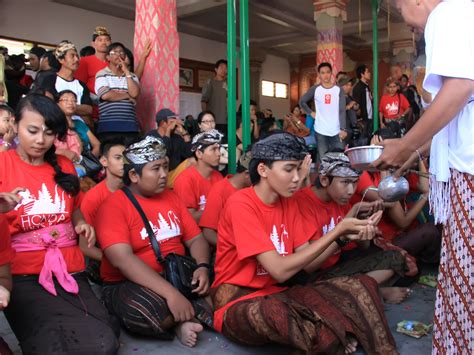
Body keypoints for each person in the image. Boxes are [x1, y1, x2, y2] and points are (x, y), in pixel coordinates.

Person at [211, 132, 397, 354]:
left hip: (279, 293)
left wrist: (345, 235)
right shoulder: (241, 204)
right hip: (238, 303)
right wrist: (339, 230)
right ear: (263, 170)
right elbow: (279, 270)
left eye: (300, 169)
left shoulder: (288, 204)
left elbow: (308, 263)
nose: (298, 178)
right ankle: (332, 333)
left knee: (360, 286)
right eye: (289, 169)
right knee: (279, 314)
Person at [374, 2, 473, 352]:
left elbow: (460, 86)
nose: (411, 26)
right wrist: (413, 151)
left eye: (399, 8)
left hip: (470, 172)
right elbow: (456, 115)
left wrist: (405, 145)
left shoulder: (448, 13)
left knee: (467, 283)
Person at [0, 94, 119, 353]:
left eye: (49, 133)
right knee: (51, 346)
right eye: (32, 131)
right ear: (15, 125)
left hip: (69, 267)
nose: (41, 140)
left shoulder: (63, 164)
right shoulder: (3, 165)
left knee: (103, 344)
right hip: (21, 274)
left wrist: (80, 224)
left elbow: (73, 207)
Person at [95, 136, 213, 347]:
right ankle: (185, 317)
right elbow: (122, 260)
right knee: (141, 309)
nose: (164, 175)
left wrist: (203, 267)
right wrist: (171, 294)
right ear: (133, 175)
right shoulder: (112, 206)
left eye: (166, 167)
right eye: (156, 168)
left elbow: (196, 239)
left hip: (174, 274)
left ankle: (182, 314)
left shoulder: (171, 197)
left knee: (215, 286)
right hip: (129, 284)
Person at [294, 152, 410, 304]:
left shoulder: (340, 200)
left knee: (395, 258)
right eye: (345, 182)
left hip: (336, 266)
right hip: (315, 276)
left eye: (355, 182)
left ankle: (363, 290)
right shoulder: (304, 203)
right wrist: (342, 236)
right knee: (320, 290)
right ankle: (374, 292)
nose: (351, 190)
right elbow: (309, 266)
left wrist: (364, 225)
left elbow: (363, 247)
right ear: (324, 180)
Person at [199, 151, 252, 247]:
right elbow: (208, 232)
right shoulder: (220, 190)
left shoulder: (254, 189)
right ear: (247, 174)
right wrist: (232, 247)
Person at [299, 62, 347, 162]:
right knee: (324, 161)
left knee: (339, 160)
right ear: (319, 75)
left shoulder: (338, 90)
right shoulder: (315, 89)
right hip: (320, 130)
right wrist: (310, 112)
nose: (325, 75)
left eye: (328, 72)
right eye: (322, 73)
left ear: (331, 73)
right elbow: (302, 101)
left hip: (337, 131)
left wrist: (343, 128)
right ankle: (323, 178)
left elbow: (342, 110)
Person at [95, 42, 141, 144]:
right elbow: (106, 95)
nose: (119, 54)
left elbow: (134, 93)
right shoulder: (102, 74)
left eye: (121, 52)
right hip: (108, 127)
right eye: (114, 52)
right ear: (107, 57)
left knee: (129, 159)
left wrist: (127, 72)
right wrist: (127, 95)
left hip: (130, 127)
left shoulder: (133, 77)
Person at [173, 130, 224, 222]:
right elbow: (188, 218)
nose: (219, 154)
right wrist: (219, 210)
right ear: (199, 153)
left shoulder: (218, 176)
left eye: (219, 149)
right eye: (213, 149)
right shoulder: (185, 180)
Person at [75, 26, 111, 121]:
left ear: (110, 43)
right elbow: (79, 85)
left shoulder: (113, 63)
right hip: (92, 110)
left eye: (106, 40)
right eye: (100, 40)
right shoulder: (85, 61)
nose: (104, 42)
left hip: (111, 110)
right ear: (93, 44)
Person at [56, 90, 100, 157]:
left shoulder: (79, 123)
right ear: (57, 104)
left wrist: (88, 161)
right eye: (65, 100)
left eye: (74, 100)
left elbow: (97, 144)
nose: (70, 103)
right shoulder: (54, 124)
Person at [201, 59, 228, 132]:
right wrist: (205, 118)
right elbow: (204, 101)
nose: (224, 70)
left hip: (226, 120)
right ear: (216, 69)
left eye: (226, 68)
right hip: (213, 120)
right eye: (221, 67)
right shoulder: (210, 82)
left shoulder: (228, 83)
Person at [352, 64, 374, 141]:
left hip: (370, 118)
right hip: (363, 119)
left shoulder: (367, 86)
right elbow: (356, 104)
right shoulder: (358, 88)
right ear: (362, 74)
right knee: (364, 140)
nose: (369, 73)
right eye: (367, 72)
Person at [338, 75, 359, 146]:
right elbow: (336, 111)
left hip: (351, 129)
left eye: (350, 85)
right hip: (343, 130)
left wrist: (356, 107)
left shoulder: (349, 96)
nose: (349, 87)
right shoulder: (337, 97)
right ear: (340, 86)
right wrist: (349, 106)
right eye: (346, 85)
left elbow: (358, 111)